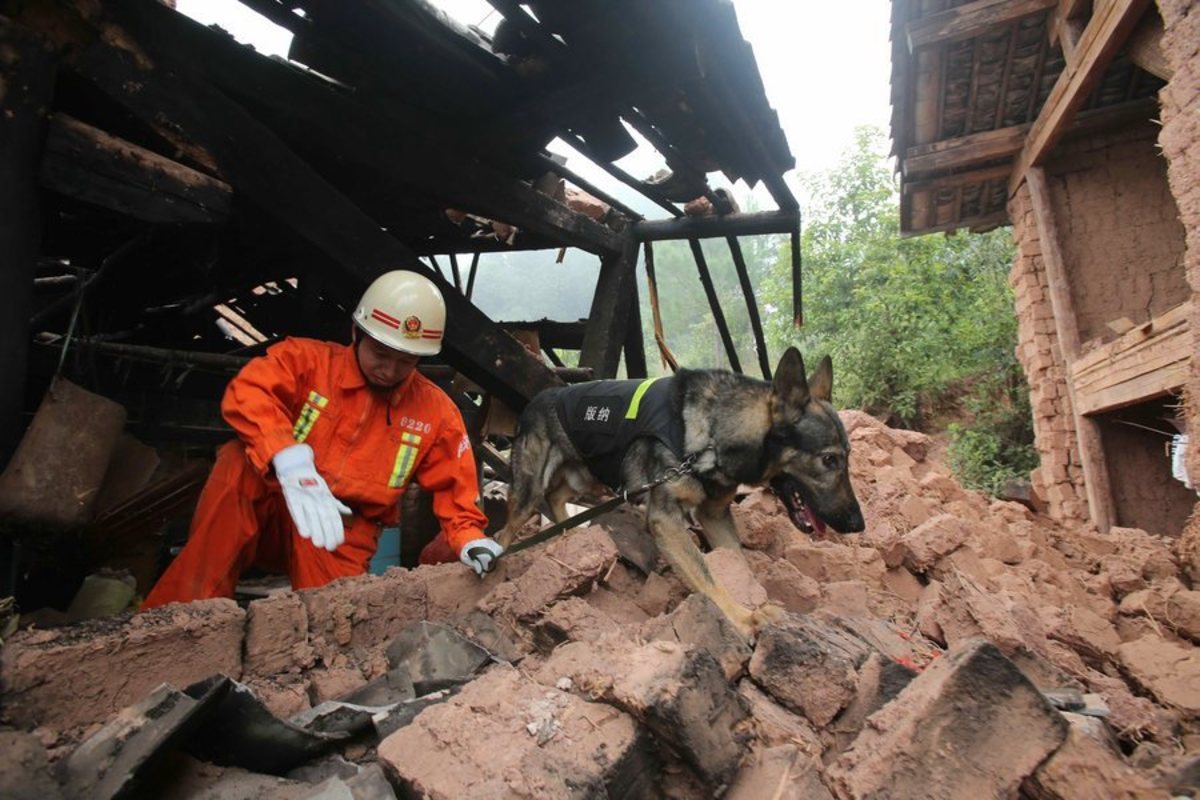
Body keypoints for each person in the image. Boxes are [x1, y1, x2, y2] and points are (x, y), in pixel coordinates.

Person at [141, 271, 503, 609]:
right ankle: (188, 616)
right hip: (275, 500)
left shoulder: (435, 412)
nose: (389, 370)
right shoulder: (306, 361)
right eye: (381, 354)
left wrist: (470, 538)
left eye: (406, 361)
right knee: (239, 463)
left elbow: (457, 490)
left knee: (333, 621)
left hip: (342, 531)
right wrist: (288, 459)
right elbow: (249, 391)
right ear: (356, 333)